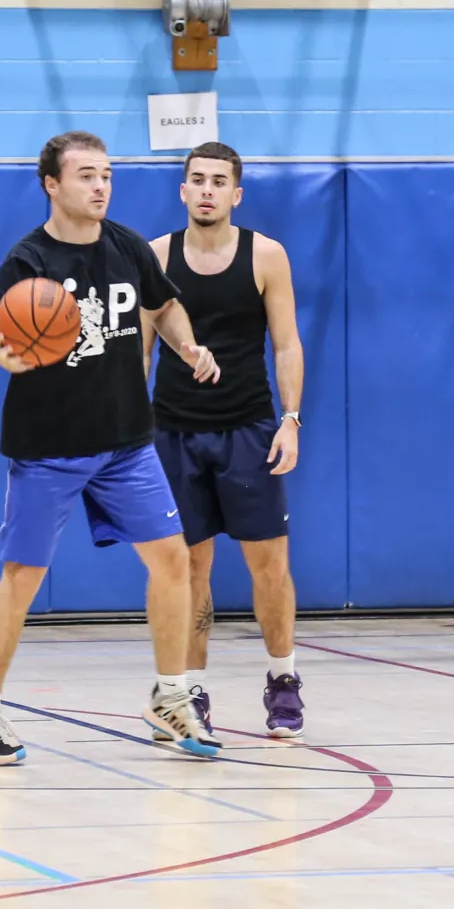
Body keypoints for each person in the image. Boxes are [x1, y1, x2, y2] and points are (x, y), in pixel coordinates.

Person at [0, 131, 223, 766]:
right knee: (22, 578)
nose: (101, 185)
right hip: (48, 447)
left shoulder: (129, 247)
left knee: (173, 562)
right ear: (52, 184)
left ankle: (169, 697)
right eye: (85, 175)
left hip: (124, 444)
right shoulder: (25, 260)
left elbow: (164, 307)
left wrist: (187, 345)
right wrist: (9, 354)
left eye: (106, 174)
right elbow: (7, 336)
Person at [143, 142, 306, 738]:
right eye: (197, 180)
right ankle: (188, 693)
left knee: (269, 567)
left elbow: (286, 344)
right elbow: (140, 353)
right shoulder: (155, 257)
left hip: (249, 430)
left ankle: (283, 679)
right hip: (174, 432)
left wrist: (291, 419)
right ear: (182, 190)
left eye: (218, 182)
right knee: (188, 568)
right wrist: (133, 432)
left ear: (236, 194)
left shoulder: (266, 255)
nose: (207, 190)